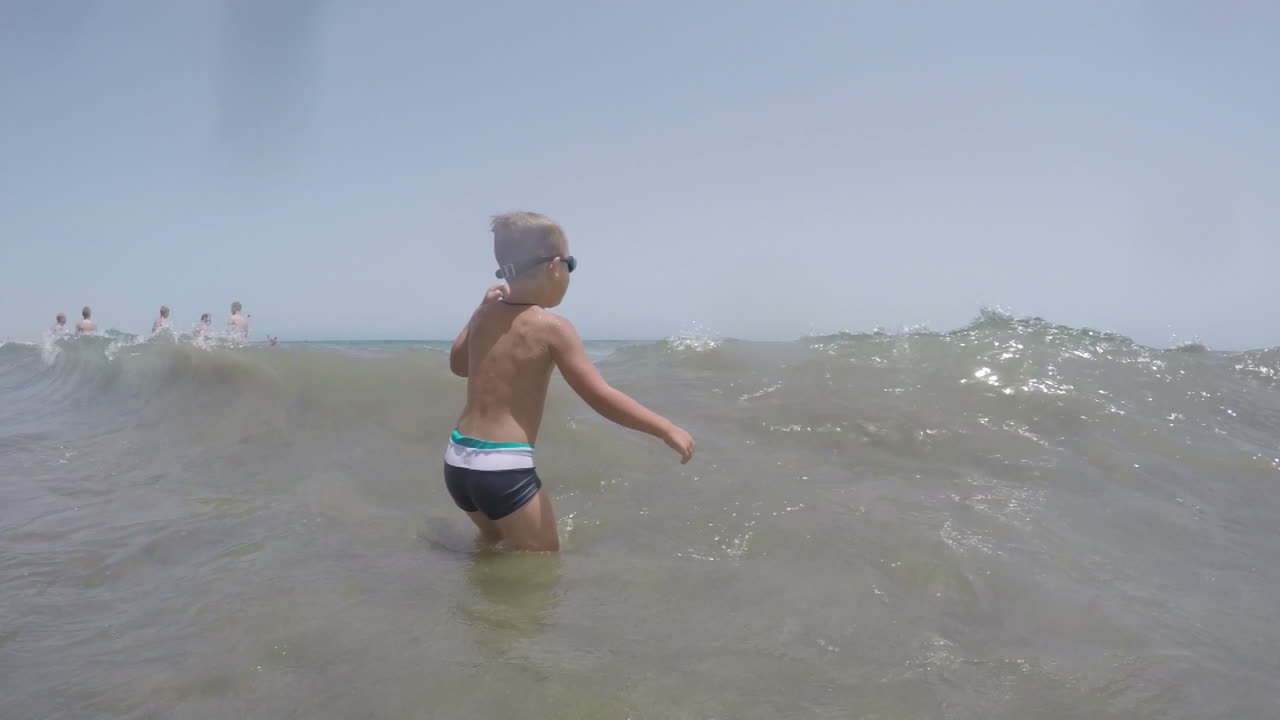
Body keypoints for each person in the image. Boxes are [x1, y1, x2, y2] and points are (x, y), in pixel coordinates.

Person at [445, 212, 695, 551]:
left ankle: (475, 602)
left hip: (459, 461)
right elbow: (599, 395)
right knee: (541, 563)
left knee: (494, 548)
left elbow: (459, 366)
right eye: (571, 264)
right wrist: (665, 428)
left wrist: (477, 311)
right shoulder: (553, 328)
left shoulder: (484, 314)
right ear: (554, 267)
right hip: (503, 466)